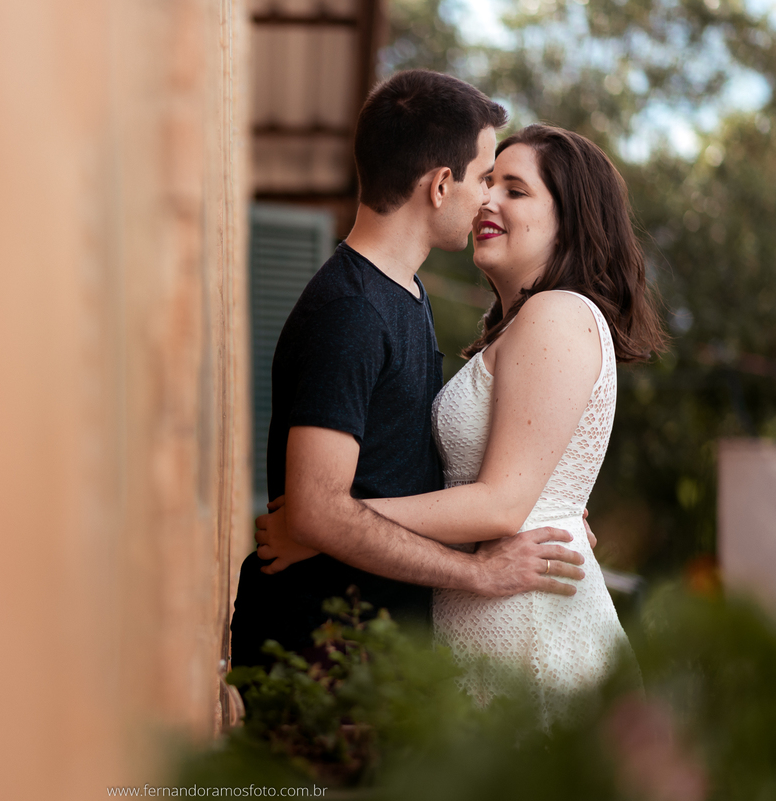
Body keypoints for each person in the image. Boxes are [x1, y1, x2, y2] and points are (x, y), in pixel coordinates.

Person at [256, 123, 667, 721]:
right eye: (489, 181)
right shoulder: (515, 325)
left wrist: (321, 525)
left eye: (516, 190)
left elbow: (501, 506)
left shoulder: (555, 314)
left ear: (570, 221)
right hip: (484, 608)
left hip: (523, 620)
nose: (487, 200)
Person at [230, 70, 592, 670]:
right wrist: (478, 573)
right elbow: (318, 509)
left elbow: (399, 468)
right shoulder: (350, 311)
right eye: (482, 178)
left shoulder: (406, 296)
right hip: (318, 656)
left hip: (372, 652)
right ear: (441, 185)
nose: (486, 200)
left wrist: (549, 503)